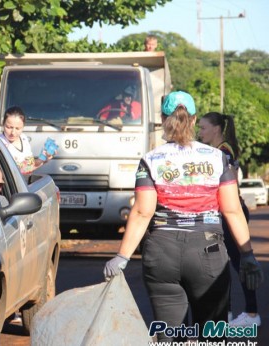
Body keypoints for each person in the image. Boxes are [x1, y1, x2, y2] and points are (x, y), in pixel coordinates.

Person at [103, 91, 263, 343]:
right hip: (207, 252)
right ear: (194, 119)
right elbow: (231, 210)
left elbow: (143, 211)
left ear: (163, 118)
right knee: (210, 335)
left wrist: (122, 257)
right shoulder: (216, 158)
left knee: (170, 336)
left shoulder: (151, 159)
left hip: (161, 252)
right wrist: (247, 255)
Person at [198, 112, 260, 327]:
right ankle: (228, 313)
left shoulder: (223, 151)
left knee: (239, 263)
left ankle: (252, 314)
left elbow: (230, 181)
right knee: (221, 265)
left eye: (203, 128)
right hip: (222, 213)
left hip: (230, 213)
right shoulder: (219, 150)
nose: (200, 132)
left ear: (216, 129)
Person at [0, 106, 54, 174]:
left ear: (23, 127)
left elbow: (30, 165)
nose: (13, 133)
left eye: (17, 128)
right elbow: (19, 171)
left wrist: (45, 158)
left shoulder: (23, 138)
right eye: (9, 127)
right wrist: (40, 161)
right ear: (3, 124)